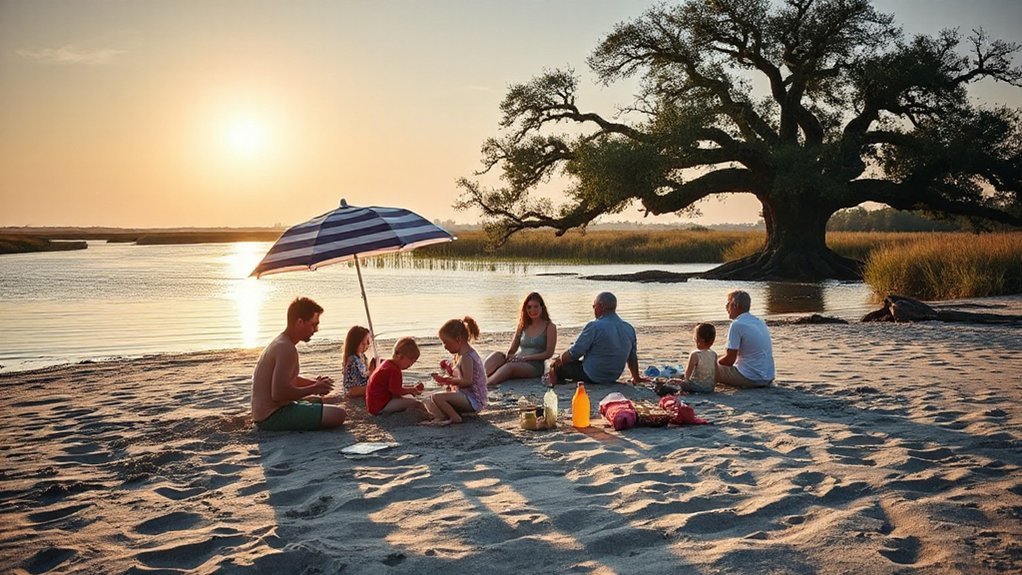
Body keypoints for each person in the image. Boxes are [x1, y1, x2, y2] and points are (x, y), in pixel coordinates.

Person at [251, 297, 346, 431]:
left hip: (265, 413)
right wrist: (314, 389)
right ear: (300, 322)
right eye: (313, 324)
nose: (316, 329)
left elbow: (288, 379)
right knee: (339, 414)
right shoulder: (286, 348)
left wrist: (314, 383)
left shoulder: (281, 342)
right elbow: (278, 394)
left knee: (328, 400)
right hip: (272, 416)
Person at [548, 292, 646, 386]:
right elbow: (632, 357)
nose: (594, 309)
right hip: (613, 376)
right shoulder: (629, 328)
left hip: (592, 375)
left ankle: (554, 385)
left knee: (557, 366)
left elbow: (575, 353)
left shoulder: (594, 326)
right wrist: (636, 377)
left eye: (594, 306)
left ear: (601, 306)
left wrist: (558, 360)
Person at [484, 292, 558, 386]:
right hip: (519, 360)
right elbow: (512, 349)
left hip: (534, 365)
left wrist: (525, 358)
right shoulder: (522, 326)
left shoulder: (550, 327)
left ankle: (486, 384)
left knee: (509, 367)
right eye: (529, 307)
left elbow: (549, 353)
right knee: (497, 356)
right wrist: (509, 357)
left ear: (542, 307)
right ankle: (478, 379)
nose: (532, 310)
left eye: (536, 306)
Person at [425, 317, 487, 425]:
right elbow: (458, 373)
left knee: (437, 397)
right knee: (429, 399)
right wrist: (447, 369)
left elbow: (468, 381)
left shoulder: (467, 357)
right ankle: (442, 416)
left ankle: (454, 418)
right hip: (464, 396)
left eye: (446, 342)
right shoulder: (459, 355)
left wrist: (448, 380)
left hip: (473, 400)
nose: (444, 347)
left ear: (458, 339)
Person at [717, 290, 775, 388]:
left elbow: (730, 360)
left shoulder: (737, 324)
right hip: (767, 376)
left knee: (706, 365)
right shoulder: (759, 321)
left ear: (735, 305)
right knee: (715, 357)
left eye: (728, 304)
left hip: (750, 378)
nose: (726, 307)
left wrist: (714, 363)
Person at [365, 337, 428, 416]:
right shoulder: (394, 370)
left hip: (374, 405)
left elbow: (392, 387)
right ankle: (430, 417)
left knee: (409, 397)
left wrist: (411, 388)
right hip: (380, 406)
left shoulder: (386, 364)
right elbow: (396, 391)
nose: (410, 365)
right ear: (400, 356)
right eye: (410, 361)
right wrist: (411, 390)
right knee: (416, 403)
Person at [658, 323, 718, 395]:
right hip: (709, 388)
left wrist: (684, 382)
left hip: (696, 388)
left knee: (672, 383)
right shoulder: (714, 354)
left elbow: (687, 374)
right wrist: (713, 385)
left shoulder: (695, 354)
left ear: (700, 340)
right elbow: (716, 374)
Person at [341, 325, 377, 398]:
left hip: (360, 390)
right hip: (354, 392)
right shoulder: (352, 360)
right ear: (354, 343)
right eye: (363, 343)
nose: (366, 346)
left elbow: (364, 376)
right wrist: (371, 372)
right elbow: (356, 383)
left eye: (367, 343)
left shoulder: (362, 357)